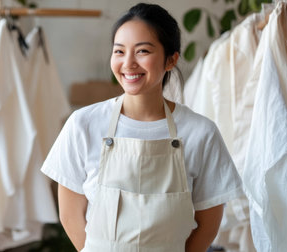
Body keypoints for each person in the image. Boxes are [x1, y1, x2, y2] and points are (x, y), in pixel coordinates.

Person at [41, 3, 243, 251]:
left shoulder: (201, 132)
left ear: (171, 60)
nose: (128, 63)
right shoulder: (83, 124)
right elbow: (70, 215)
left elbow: (208, 223)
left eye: (142, 51)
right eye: (119, 51)